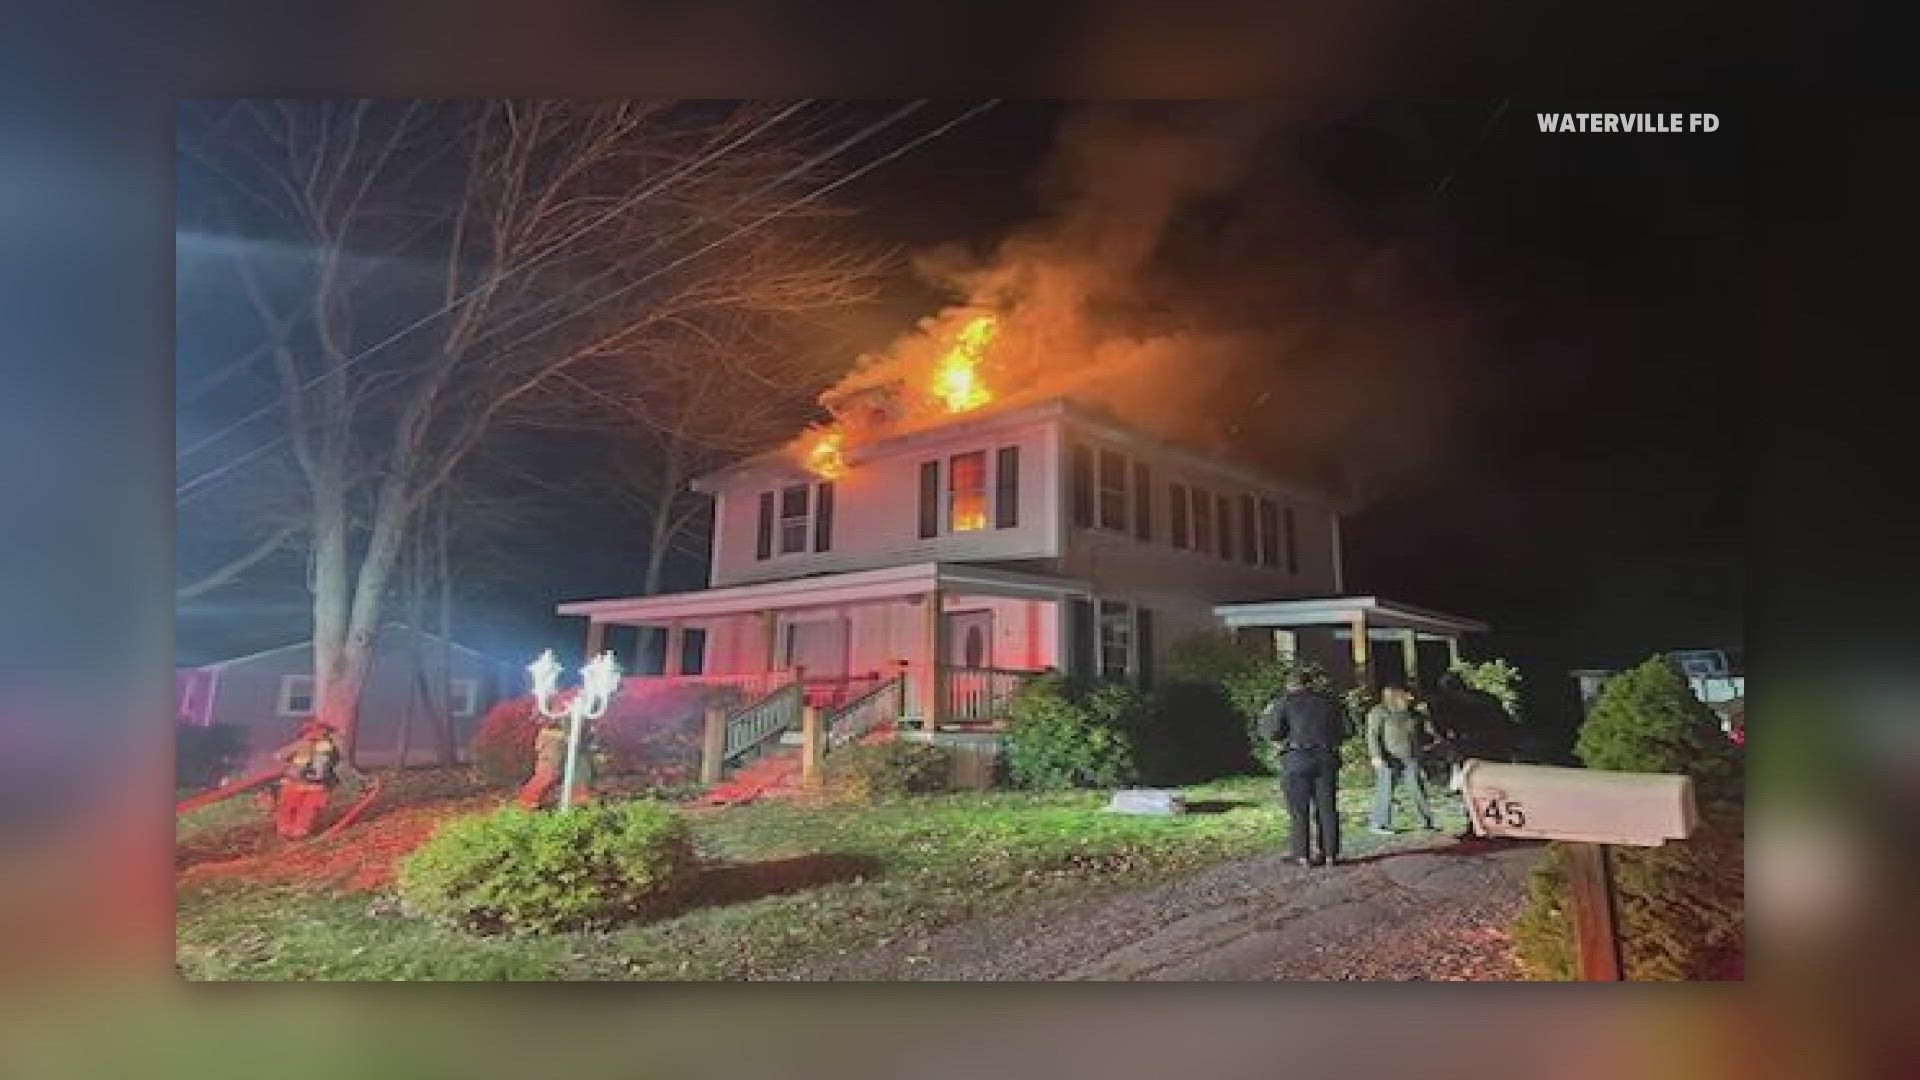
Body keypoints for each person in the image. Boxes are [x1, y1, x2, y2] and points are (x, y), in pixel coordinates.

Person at [1257, 672, 1348, 867]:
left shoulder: (1283, 703)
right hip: (1326, 758)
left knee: (1299, 810)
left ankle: (1302, 855)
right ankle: (1330, 854)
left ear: (1289, 685)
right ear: (1311, 684)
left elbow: (1271, 732)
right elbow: (1347, 730)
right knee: (1327, 808)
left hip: (1296, 759)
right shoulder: (1329, 702)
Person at [1365, 684, 1438, 834]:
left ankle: (1427, 821)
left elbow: (1426, 733)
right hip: (1389, 758)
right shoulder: (1380, 712)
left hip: (1410, 756)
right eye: (1408, 695)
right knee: (1385, 791)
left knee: (1417, 789)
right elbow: (1372, 735)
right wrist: (1376, 755)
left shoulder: (1413, 713)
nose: (1411, 698)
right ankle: (1379, 823)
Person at [272, 721, 341, 840]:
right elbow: (279, 756)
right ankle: (287, 830)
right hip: (294, 784)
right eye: (311, 731)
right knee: (288, 807)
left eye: (319, 732)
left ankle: (299, 831)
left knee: (307, 809)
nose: (315, 734)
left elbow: (329, 765)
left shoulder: (328, 747)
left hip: (314, 786)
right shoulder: (300, 745)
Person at [516, 714, 598, 810]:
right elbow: (544, 714)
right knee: (548, 773)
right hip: (555, 737)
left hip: (576, 736)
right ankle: (526, 801)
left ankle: (577, 799)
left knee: (580, 769)